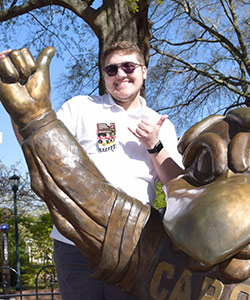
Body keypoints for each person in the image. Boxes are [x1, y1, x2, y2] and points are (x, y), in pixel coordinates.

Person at [4, 41, 184, 299]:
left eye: (128, 66)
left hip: (133, 244)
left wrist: (154, 146)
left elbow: (176, 186)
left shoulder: (161, 124)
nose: (120, 75)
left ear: (144, 71)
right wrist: (20, 113)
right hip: (74, 243)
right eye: (111, 70)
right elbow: (39, 149)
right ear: (104, 76)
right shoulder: (80, 108)